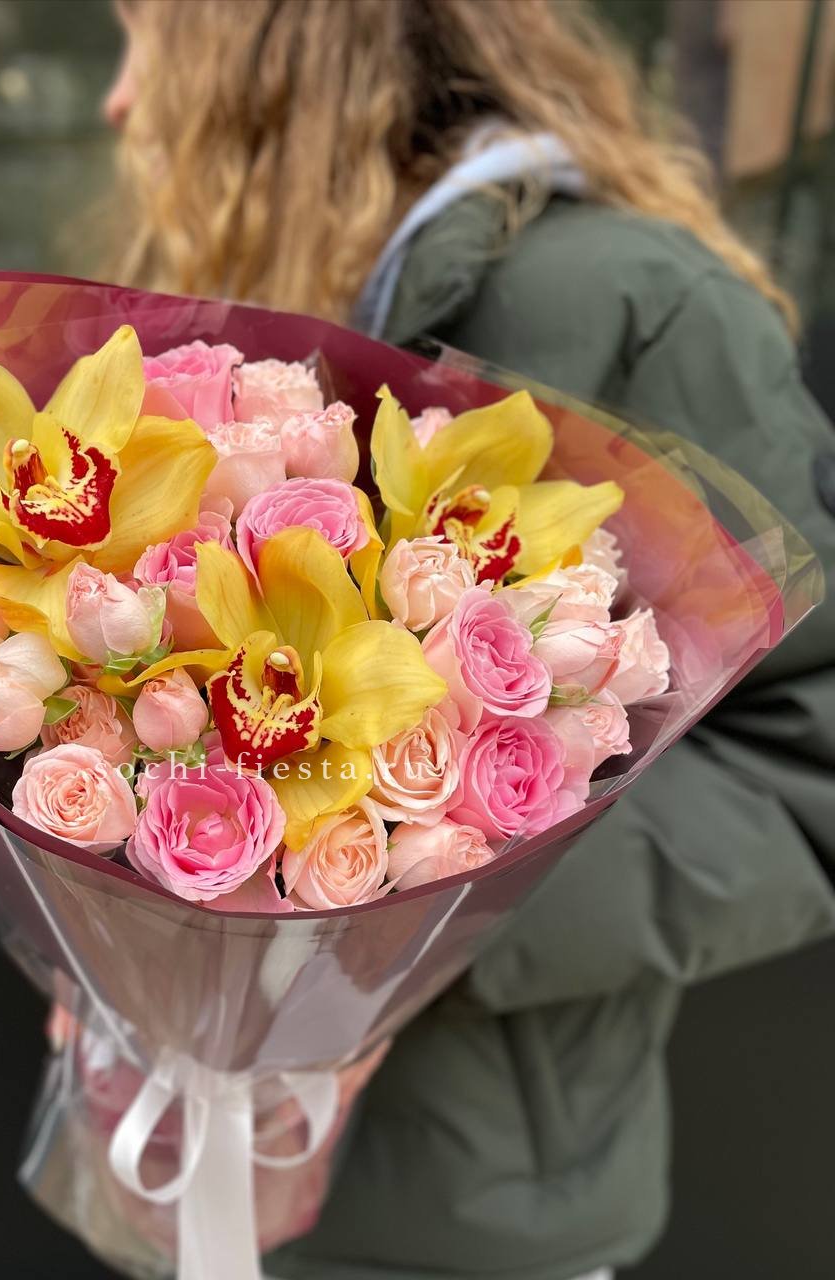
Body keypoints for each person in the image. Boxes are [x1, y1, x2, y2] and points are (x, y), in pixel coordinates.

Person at [99, 3, 835, 1279]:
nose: (119, 98)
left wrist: (430, 901)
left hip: (479, 1210)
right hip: (210, 1167)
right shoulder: (248, 297)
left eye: (142, 36)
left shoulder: (636, 302)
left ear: (264, 53)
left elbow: (810, 758)